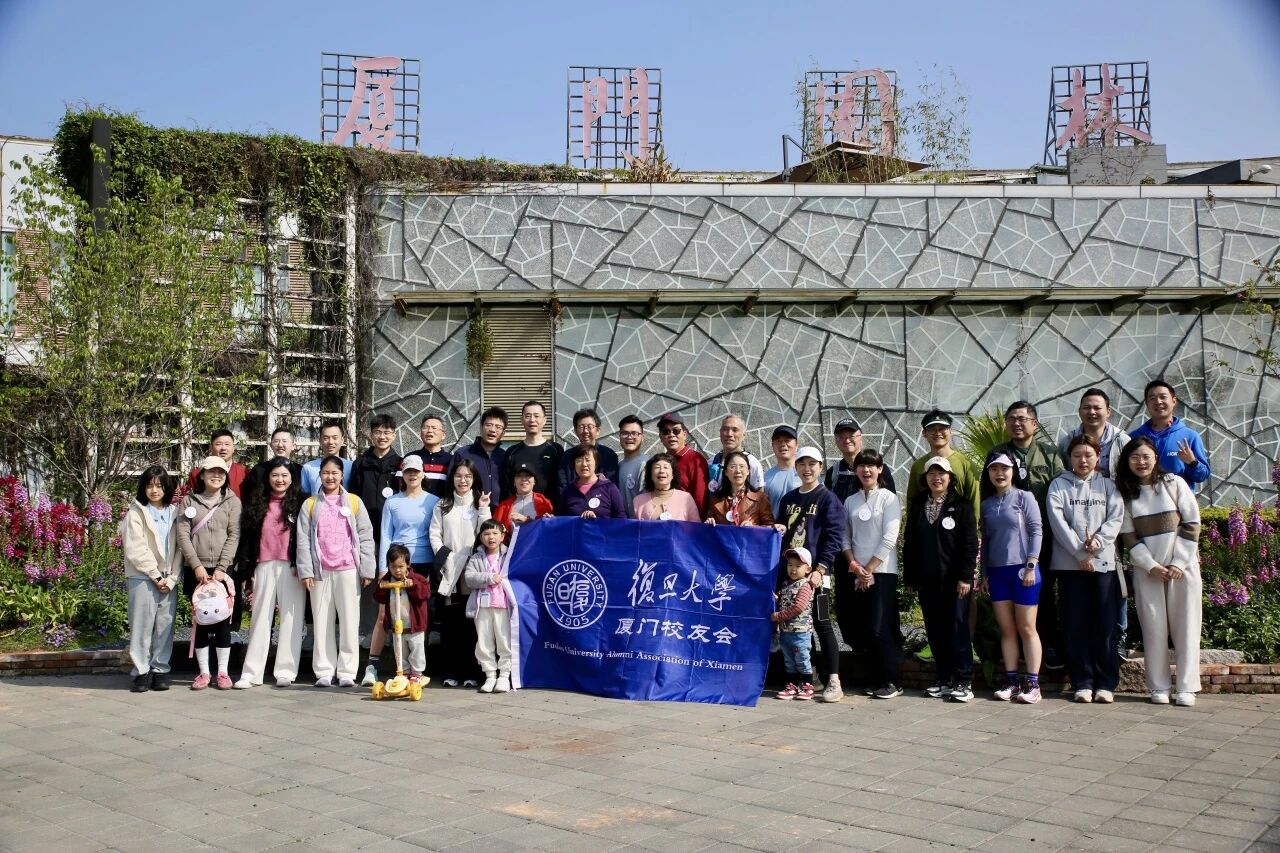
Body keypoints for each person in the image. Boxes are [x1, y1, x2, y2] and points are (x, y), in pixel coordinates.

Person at [1117, 437, 1203, 707]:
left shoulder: (1174, 483)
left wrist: (1179, 562)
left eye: (1146, 456)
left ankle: (1187, 688)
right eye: (1134, 457)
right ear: (1127, 462)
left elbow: (1192, 523)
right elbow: (1128, 536)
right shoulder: (1126, 494)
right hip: (1148, 572)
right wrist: (1150, 565)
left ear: (1155, 458)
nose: (1141, 462)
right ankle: (1158, 686)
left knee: (1187, 627)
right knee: (1153, 628)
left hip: (1183, 569)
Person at [981, 401, 1064, 671]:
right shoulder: (998, 454)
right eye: (1011, 419)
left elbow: (1060, 491)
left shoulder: (1050, 454)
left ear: (1034, 424)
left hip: (1045, 536)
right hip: (1008, 542)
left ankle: (1049, 645)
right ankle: (1011, 652)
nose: (1017, 423)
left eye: (1022, 418)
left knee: (1044, 592)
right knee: (1006, 601)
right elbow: (987, 494)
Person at [1046, 436, 1125, 704]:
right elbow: (1057, 522)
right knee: (1074, 623)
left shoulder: (1109, 486)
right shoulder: (1058, 485)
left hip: (1103, 564)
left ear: (1097, 457)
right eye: (1077, 455)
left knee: (1105, 624)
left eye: (1088, 455)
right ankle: (1082, 681)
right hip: (1069, 565)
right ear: (1069, 458)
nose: (1083, 460)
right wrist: (1080, 553)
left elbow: (1115, 518)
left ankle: (1106, 682)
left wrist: (1097, 542)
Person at [901, 456, 979, 702]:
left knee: (957, 628)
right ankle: (944, 679)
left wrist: (966, 576)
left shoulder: (961, 505)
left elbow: (970, 543)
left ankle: (963, 680)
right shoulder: (918, 506)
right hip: (928, 580)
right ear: (925, 478)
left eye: (941, 473)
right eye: (932, 474)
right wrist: (911, 577)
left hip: (956, 581)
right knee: (935, 630)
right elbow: (910, 543)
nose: (937, 478)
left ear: (950, 478)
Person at [296, 456, 376, 688]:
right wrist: (306, 571)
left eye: (334, 473)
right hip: (320, 571)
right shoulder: (310, 504)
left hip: (348, 569)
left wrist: (367, 568)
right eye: (326, 473)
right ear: (319, 475)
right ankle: (324, 670)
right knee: (322, 621)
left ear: (342, 475)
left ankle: (347, 671)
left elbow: (365, 536)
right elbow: (302, 540)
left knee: (350, 621)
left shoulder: (354, 502)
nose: (330, 477)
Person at [775, 446, 846, 703]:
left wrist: (820, 569)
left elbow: (834, 538)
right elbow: (782, 537)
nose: (807, 469)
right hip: (791, 576)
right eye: (802, 464)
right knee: (797, 627)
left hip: (818, 576)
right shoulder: (788, 499)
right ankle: (810, 677)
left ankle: (834, 681)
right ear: (796, 467)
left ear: (820, 467)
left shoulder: (828, 499)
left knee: (822, 624)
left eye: (812, 464)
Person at [363, 455, 439, 687]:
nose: (412, 475)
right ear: (402, 475)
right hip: (395, 564)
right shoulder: (393, 502)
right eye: (408, 472)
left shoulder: (434, 501)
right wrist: (382, 567)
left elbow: (436, 533)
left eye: (416, 471)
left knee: (417, 618)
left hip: (423, 565)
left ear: (423, 474)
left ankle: (416, 669)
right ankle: (372, 666)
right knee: (385, 615)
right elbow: (386, 535)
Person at [234, 458, 305, 689]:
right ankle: (251, 673)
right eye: (275, 475)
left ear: (292, 478)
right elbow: (247, 539)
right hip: (262, 565)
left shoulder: (301, 503)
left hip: (291, 567)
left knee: (291, 618)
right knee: (260, 618)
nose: (279, 480)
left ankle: (285, 670)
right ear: (268, 478)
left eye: (284, 475)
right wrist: (246, 571)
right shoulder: (257, 502)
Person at [980, 452, 1045, 704]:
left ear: (1013, 471)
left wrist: (1031, 564)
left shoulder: (1024, 497)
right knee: (1006, 630)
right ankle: (1012, 681)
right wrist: (984, 574)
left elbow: (1036, 530)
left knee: (1027, 628)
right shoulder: (986, 504)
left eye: (1004, 469)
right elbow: (986, 542)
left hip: (1023, 570)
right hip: (997, 573)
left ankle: (1033, 684)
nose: (1000, 474)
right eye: (994, 469)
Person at [839, 449, 902, 700]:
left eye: (871, 466)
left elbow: (890, 538)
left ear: (880, 469)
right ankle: (876, 679)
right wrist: (855, 566)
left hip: (882, 572)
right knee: (865, 627)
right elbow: (845, 537)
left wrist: (870, 569)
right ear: (855, 470)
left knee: (880, 626)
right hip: (857, 572)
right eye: (861, 466)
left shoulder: (889, 498)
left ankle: (892, 681)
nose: (866, 470)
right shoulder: (850, 501)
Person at [176, 456, 242, 691]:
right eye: (211, 471)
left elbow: (234, 534)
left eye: (221, 472)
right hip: (196, 569)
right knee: (201, 621)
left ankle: (223, 672)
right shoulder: (188, 501)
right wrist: (196, 565)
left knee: (223, 621)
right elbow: (182, 535)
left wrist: (222, 568)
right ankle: (204, 672)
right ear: (202, 475)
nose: (216, 475)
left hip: (223, 571)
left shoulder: (232, 501)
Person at [430, 459, 492, 687]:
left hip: (472, 571)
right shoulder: (443, 504)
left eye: (467, 476)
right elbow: (435, 534)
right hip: (450, 571)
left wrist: (483, 508)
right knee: (450, 624)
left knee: (472, 625)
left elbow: (487, 532)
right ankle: (450, 673)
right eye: (458, 476)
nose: (462, 480)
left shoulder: (479, 503)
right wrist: (446, 557)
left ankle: (472, 673)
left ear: (474, 479)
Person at [122, 465, 180, 693]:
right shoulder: (136, 513)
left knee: (165, 626)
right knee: (142, 626)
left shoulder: (175, 512)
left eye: (159, 485)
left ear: (166, 487)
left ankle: (160, 670)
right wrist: (155, 575)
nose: (154, 490)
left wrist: (172, 578)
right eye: (149, 486)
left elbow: (181, 548)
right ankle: (141, 671)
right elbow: (135, 548)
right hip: (143, 576)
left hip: (168, 578)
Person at [349, 413, 402, 639]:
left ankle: (391, 632)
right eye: (378, 432)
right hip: (366, 533)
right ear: (371, 435)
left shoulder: (399, 463)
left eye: (387, 432)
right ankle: (366, 631)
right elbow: (352, 497)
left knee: (393, 579)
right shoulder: (360, 464)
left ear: (394, 435)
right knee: (368, 581)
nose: (382, 436)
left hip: (392, 533)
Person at [464, 519, 520, 693]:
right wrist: (488, 577)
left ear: (502, 536)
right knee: (484, 642)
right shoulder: (476, 557)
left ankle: (504, 676)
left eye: (495, 533)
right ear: (481, 537)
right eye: (487, 534)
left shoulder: (509, 555)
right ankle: (490, 676)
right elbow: (469, 578)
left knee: (504, 641)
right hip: (482, 607)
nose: (491, 537)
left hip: (504, 606)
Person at [1129, 379, 1211, 492]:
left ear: (1173, 401)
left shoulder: (1190, 436)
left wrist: (1192, 462)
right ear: (1147, 404)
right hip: (1144, 500)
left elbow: (1202, 476)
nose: (1158, 401)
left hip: (1178, 501)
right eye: (1152, 398)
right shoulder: (1134, 437)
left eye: (1163, 397)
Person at [372, 544, 431, 685]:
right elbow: (378, 597)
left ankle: (416, 673)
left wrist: (413, 585)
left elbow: (425, 594)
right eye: (393, 567)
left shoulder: (417, 579)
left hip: (414, 625)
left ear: (408, 565)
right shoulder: (387, 580)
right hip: (396, 624)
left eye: (400, 566)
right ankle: (403, 672)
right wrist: (382, 586)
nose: (397, 570)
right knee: (400, 650)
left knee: (416, 650)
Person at [904, 411, 979, 520]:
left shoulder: (966, 463)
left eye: (942, 428)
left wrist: (973, 527)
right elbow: (912, 501)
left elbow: (975, 499)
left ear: (951, 430)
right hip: (926, 526)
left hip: (958, 526)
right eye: (932, 429)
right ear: (924, 433)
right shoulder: (918, 465)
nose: (937, 433)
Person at [772, 547, 816, 701]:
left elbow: (798, 607)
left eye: (798, 566)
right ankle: (791, 686)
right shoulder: (785, 584)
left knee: (802, 659)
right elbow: (784, 600)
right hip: (786, 631)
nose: (793, 569)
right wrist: (776, 598)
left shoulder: (806, 585)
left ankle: (808, 686)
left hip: (801, 632)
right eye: (790, 565)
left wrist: (778, 616)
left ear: (808, 569)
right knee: (789, 660)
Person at [1058, 389, 1130, 479]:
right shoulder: (1067, 443)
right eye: (1087, 408)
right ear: (1079, 411)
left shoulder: (1122, 441)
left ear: (1108, 412)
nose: (1092, 412)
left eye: (1097, 408)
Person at [826, 418, 897, 501]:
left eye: (852, 436)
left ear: (860, 437)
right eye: (841, 437)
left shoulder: (879, 469)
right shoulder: (833, 472)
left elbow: (891, 501)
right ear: (836, 440)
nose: (847, 440)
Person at [558, 408, 620, 498]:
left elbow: (611, 486)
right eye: (581, 427)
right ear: (575, 431)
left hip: (602, 504)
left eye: (590, 427)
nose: (586, 431)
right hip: (573, 503)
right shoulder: (567, 456)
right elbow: (562, 486)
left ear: (598, 430)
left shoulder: (609, 455)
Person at [505, 401, 562, 500]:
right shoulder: (512, 452)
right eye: (528, 416)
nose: (532, 420)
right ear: (522, 420)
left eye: (536, 416)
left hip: (550, 508)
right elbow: (507, 486)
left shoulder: (556, 449)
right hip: (518, 508)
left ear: (544, 420)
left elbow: (561, 483)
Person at [657, 412, 710, 516]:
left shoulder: (696, 460)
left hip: (687, 521)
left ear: (684, 434)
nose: (671, 435)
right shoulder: (660, 462)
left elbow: (700, 500)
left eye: (676, 431)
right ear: (661, 437)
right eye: (666, 431)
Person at [706, 451, 775, 527]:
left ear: (748, 471)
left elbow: (770, 527)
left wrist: (753, 528)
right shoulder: (715, 500)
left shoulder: (760, 498)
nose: (738, 471)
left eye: (741, 466)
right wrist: (709, 523)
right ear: (726, 472)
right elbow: (709, 524)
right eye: (733, 467)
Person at [557, 445, 628, 519]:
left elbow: (621, 518)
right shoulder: (568, 491)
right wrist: (551, 519)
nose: (584, 464)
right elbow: (560, 520)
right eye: (579, 460)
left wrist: (597, 520)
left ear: (596, 463)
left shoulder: (610, 488)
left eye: (588, 460)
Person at [454, 407, 509, 501]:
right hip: (471, 508)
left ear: (503, 433)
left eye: (498, 427)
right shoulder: (462, 454)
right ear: (481, 427)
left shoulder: (506, 456)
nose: (492, 430)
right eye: (489, 425)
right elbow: (451, 484)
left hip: (500, 509)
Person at [706, 415, 765, 498]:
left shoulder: (752, 464)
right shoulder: (711, 462)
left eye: (735, 430)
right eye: (725, 429)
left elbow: (759, 497)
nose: (729, 434)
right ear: (720, 433)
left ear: (744, 435)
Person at [493, 462, 554, 539]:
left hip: (537, 544)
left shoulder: (544, 502)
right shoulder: (504, 506)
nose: (524, 479)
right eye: (519, 476)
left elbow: (550, 529)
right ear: (514, 482)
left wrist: (527, 520)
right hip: (511, 546)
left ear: (534, 481)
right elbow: (493, 531)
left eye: (528, 475)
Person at [632, 453, 701, 522]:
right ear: (650, 475)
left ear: (673, 475)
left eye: (666, 467)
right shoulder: (638, 501)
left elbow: (696, 526)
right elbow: (633, 527)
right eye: (657, 467)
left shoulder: (686, 498)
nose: (661, 471)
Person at [186, 429, 250, 498]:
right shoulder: (197, 474)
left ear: (233, 448)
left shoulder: (244, 473)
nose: (223, 448)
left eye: (227, 444)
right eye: (219, 444)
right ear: (211, 447)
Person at [404, 414, 453, 499]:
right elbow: (399, 484)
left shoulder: (451, 460)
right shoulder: (410, 458)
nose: (429, 431)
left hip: (442, 506)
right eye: (425, 428)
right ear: (420, 433)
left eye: (434, 428)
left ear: (443, 435)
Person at [244, 427, 303, 495]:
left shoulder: (300, 471)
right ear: (271, 445)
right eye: (276, 441)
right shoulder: (258, 470)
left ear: (293, 446)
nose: (280, 445)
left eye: (284, 441)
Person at [301, 419, 352, 495]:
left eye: (335, 438)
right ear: (320, 441)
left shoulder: (351, 467)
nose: (330, 442)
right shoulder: (308, 468)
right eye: (326, 438)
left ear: (342, 440)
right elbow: (304, 496)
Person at [763, 425, 801, 518]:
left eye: (787, 440)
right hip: (775, 527)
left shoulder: (807, 474)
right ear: (772, 446)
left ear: (797, 445)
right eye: (778, 441)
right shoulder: (766, 477)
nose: (783, 444)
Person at [616, 415, 648, 517]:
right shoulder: (618, 466)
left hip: (641, 523)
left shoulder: (647, 464)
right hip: (622, 523)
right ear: (619, 437)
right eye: (625, 433)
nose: (629, 437)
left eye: (634, 433)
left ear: (642, 438)